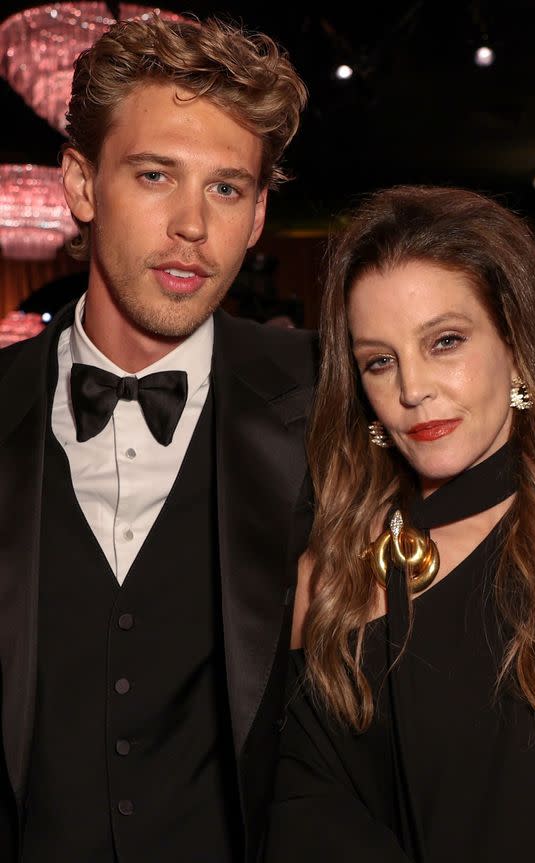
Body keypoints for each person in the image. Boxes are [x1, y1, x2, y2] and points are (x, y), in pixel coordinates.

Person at [0, 15, 314, 863]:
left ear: (255, 219)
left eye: (226, 188)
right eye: (153, 174)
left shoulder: (326, 401)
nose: (191, 225)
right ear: (81, 183)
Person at [265, 186, 535, 862]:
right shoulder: (334, 572)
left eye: (446, 341)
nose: (412, 387)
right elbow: (302, 810)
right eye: (380, 359)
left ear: (518, 346)